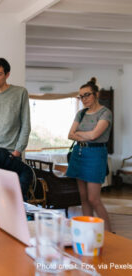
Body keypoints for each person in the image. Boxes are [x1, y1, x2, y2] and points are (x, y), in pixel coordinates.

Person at [66, 77, 112, 231]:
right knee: (84, 198)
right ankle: (88, 231)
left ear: (96, 94)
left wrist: (79, 133)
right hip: (79, 153)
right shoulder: (81, 113)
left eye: (87, 95)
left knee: (94, 199)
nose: (83, 99)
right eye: (81, 96)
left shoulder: (106, 113)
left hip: (96, 155)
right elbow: (70, 134)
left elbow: (94, 136)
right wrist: (84, 134)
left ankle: (109, 234)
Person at [0, 58, 31, 158]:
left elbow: (26, 125)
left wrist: (18, 151)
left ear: (7, 75)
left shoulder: (20, 93)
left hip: (11, 152)